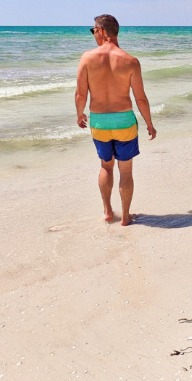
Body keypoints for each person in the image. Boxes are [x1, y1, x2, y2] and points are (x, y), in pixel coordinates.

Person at [75, 14, 156, 225]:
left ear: (102, 31)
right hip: (124, 122)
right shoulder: (130, 61)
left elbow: (80, 94)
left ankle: (108, 211)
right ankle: (126, 216)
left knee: (105, 167)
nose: (93, 35)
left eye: (93, 30)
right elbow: (141, 98)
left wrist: (79, 113)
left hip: (100, 122)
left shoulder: (87, 58)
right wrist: (149, 123)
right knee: (126, 170)